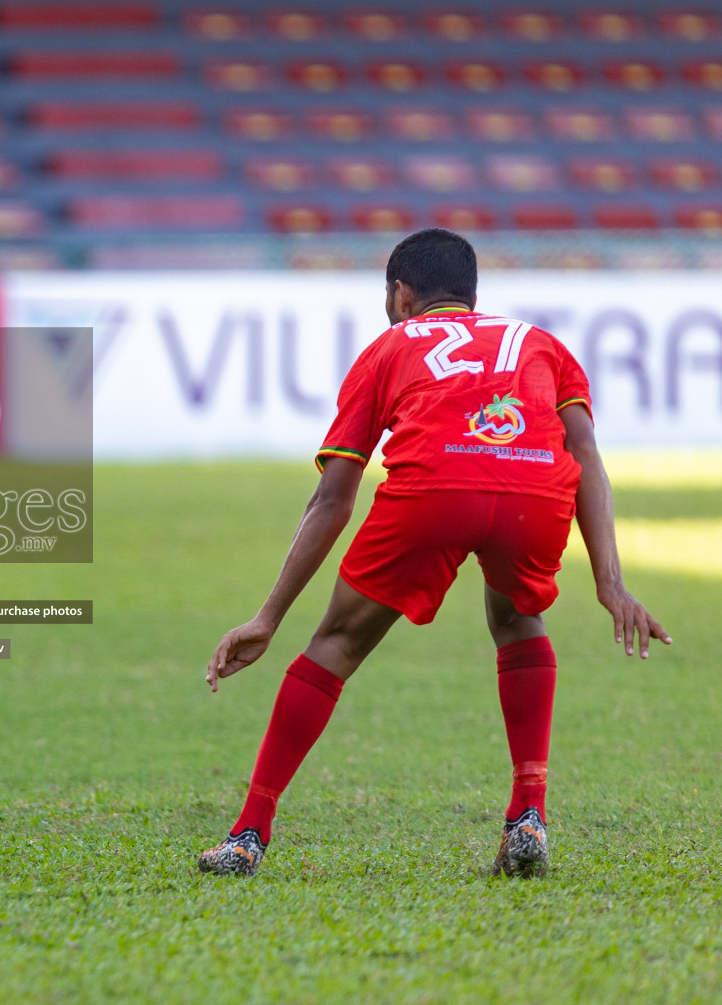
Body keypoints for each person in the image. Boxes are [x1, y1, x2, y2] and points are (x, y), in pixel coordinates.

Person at [197, 228, 669, 878]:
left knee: (335, 643)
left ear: (401, 294)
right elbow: (585, 452)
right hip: (533, 488)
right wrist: (611, 583)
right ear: (471, 294)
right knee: (517, 619)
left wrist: (268, 616)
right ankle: (528, 812)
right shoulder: (540, 344)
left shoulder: (390, 346)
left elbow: (334, 497)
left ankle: (249, 833)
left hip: (435, 491)